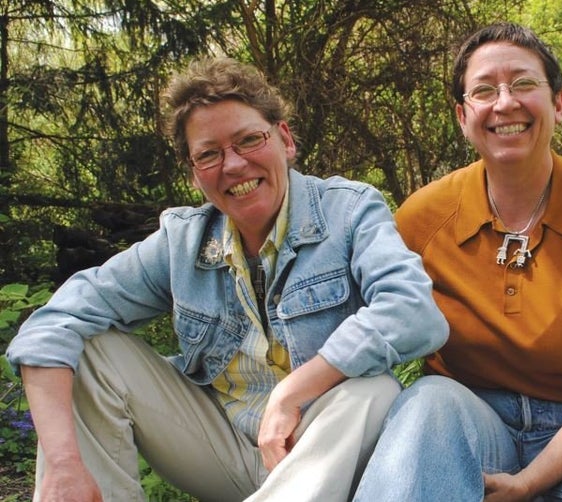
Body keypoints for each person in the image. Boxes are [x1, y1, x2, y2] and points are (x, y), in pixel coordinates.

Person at [5, 57, 448, 502]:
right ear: (195, 174)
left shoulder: (348, 211)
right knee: (90, 348)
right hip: (224, 449)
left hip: (322, 448)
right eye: (209, 154)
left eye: (249, 140)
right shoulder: (183, 242)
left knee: (372, 389)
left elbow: (414, 312)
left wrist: (294, 390)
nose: (233, 165)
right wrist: (64, 467)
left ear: (285, 139)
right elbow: (52, 322)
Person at [352, 22, 562, 502]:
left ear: (558, 103)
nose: (505, 102)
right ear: (462, 115)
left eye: (523, 83)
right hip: (467, 419)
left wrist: (530, 482)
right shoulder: (423, 218)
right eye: (484, 90)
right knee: (427, 404)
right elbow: (367, 329)